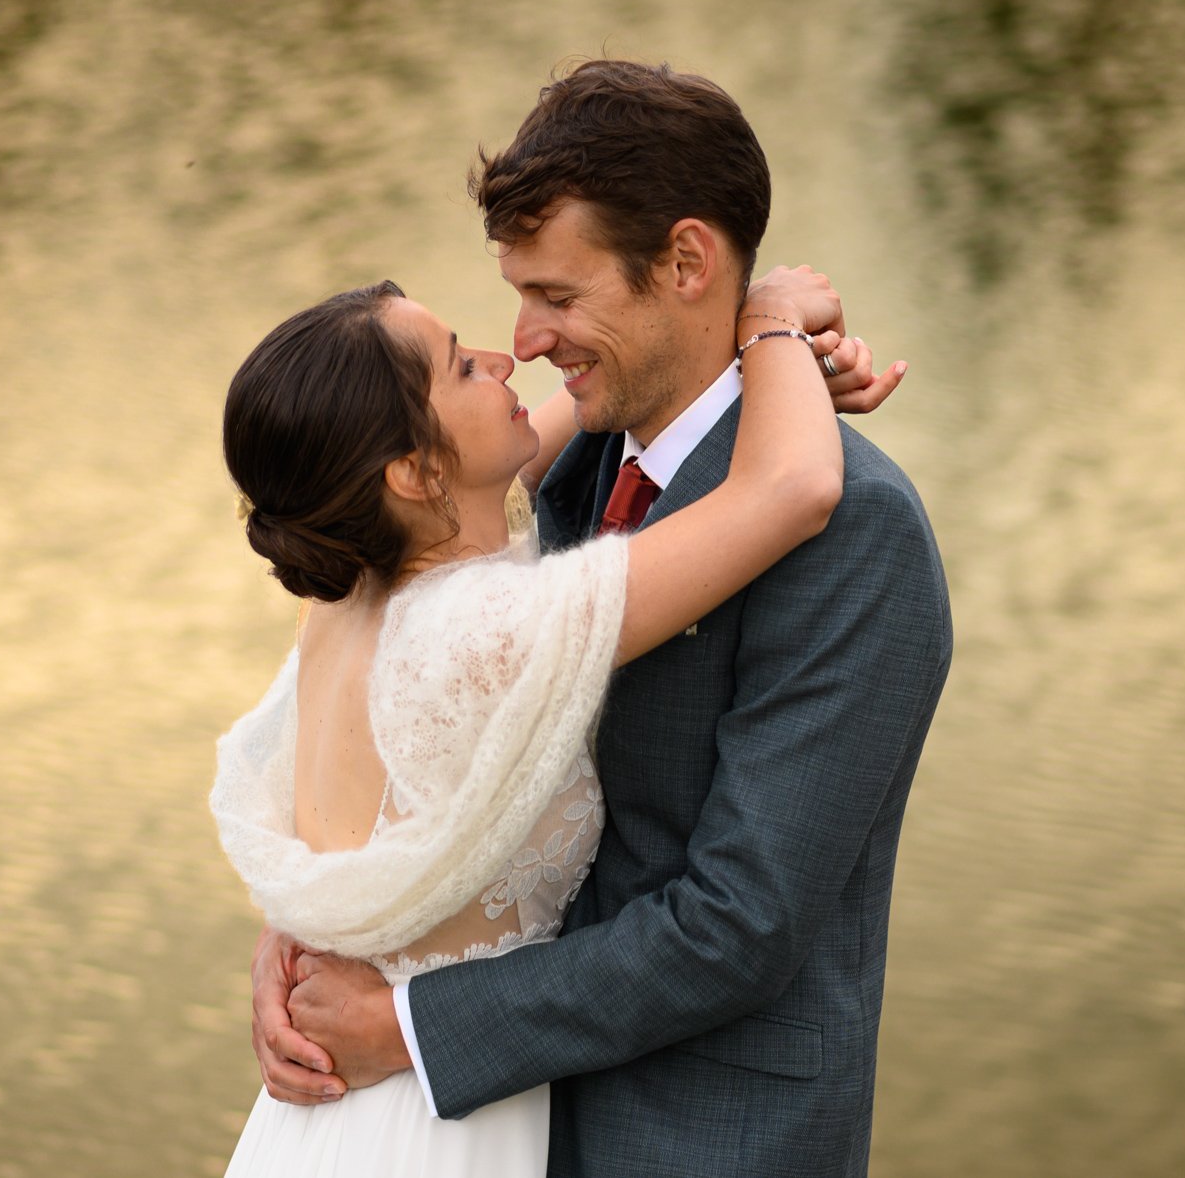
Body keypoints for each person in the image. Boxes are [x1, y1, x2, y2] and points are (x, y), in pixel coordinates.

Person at [245, 60, 953, 1178]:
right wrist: (325, 936)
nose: (523, 340)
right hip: (488, 1122)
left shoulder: (857, 535)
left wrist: (410, 1026)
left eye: (559, 298)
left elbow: (740, 921)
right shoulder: (560, 467)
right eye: (519, 294)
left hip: (699, 1139)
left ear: (685, 262)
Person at [213, 261, 870, 1176]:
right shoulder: (485, 633)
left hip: (323, 1125)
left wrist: (753, 374)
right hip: (433, 1128)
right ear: (411, 469)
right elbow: (794, 487)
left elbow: (595, 414)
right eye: (461, 368)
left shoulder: (348, 589)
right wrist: (771, 324)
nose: (505, 357)